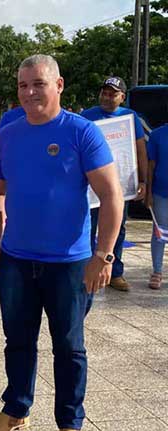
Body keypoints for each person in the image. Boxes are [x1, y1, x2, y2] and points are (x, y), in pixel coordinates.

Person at [0, 55, 123, 431]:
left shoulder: (81, 132)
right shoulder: (9, 134)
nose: (29, 92)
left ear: (58, 85)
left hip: (70, 263)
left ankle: (70, 423)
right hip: (17, 259)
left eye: (38, 84)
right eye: (23, 85)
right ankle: (16, 409)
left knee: (69, 346)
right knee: (17, 341)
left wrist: (103, 255)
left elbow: (112, 195)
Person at [81, 76, 149, 292]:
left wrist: (143, 180)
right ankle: (85, 268)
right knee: (88, 226)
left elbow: (140, 149)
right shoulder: (87, 116)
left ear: (122, 97)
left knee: (117, 228)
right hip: (91, 187)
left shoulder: (130, 117)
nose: (107, 97)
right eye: (104, 93)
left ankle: (115, 272)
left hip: (120, 186)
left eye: (112, 94)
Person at [147, 123, 168, 289]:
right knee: (159, 232)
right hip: (161, 192)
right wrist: (148, 192)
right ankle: (157, 271)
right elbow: (151, 165)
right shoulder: (157, 134)